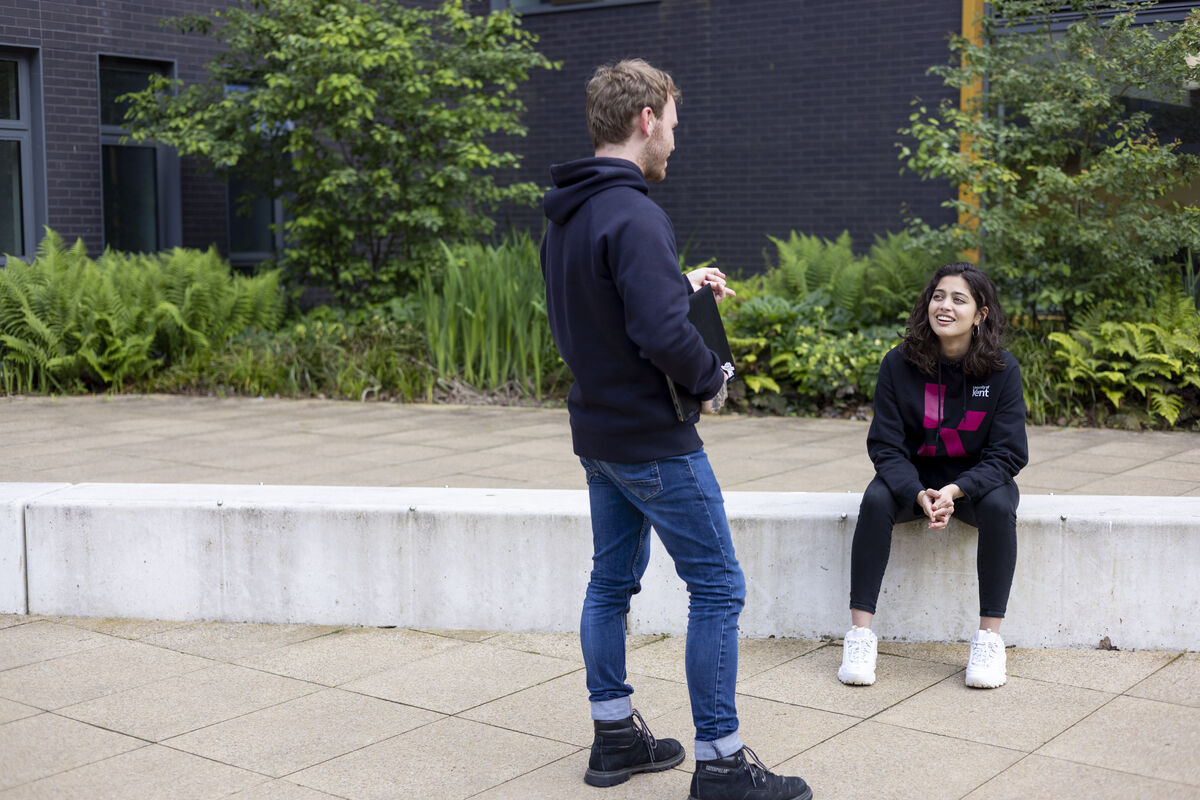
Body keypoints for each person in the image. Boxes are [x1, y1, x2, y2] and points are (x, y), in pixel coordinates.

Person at [540, 59, 813, 800]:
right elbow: (660, 332)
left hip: (599, 436)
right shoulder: (633, 214)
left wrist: (678, 282)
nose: (674, 144)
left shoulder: (570, 214)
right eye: (673, 127)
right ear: (646, 119)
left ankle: (615, 737)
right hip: (653, 441)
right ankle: (722, 763)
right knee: (718, 586)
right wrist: (710, 379)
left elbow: (605, 307)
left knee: (610, 582)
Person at [838, 262, 1028, 690]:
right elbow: (885, 446)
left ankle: (988, 640)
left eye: (959, 299)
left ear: (980, 314)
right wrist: (918, 492)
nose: (945, 306)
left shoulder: (1002, 370)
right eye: (938, 296)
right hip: (915, 478)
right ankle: (860, 635)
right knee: (874, 500)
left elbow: (1009, 453)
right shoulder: (898, 364)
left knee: (1000, 505)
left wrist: (958, 490)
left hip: (974, 481)